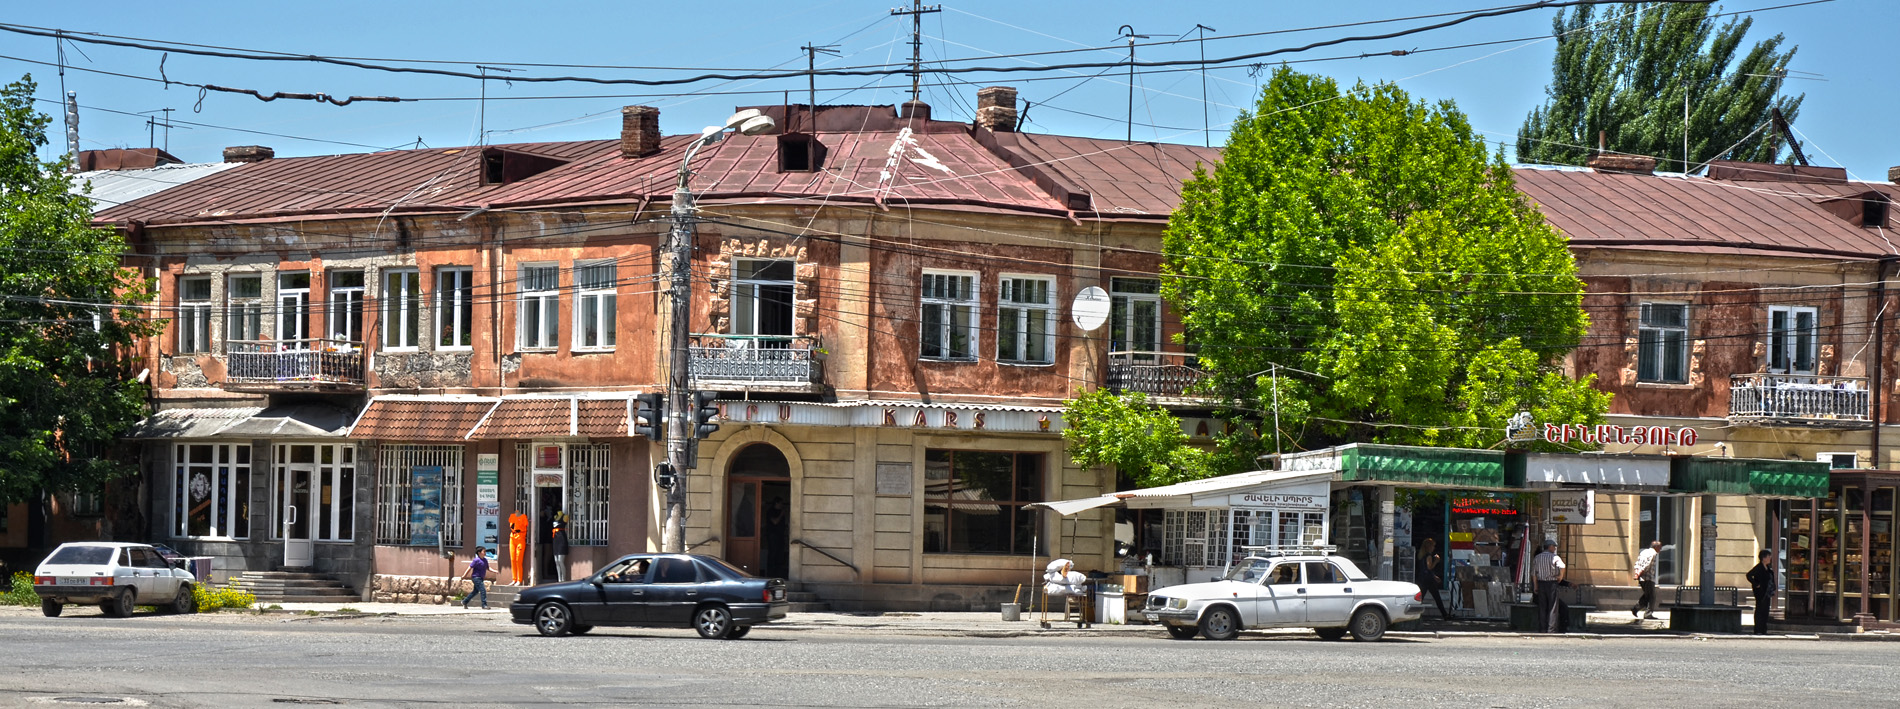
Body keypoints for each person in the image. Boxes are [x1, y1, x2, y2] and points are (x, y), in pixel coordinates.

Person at [1533, 541, 1567, 633]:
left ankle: (1542, 628)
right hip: (1551, 583)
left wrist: (1535, 586)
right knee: (1553, 607)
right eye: (1554, 547)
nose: (1555, 549)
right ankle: (1551, 629)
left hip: (1541, 583)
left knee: (1542, 607)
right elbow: (1563, 566)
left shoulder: (1537, 557)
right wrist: (1560, 576)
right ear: (1550, 547)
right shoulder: (1555, 557)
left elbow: (1534, 574)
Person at [1416, 537, 1451, 618]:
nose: (1434, 548)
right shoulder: (1428, 556)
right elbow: (1429, 567)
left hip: (1423, 578)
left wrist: (1434, 576)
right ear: (1429, 547)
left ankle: (1444, 614)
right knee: (1436, 597)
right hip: (1428, 580)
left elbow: (1425, 569)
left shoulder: (1421, 555)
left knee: (1422, 598)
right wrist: (1436, 561)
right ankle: (1445, 615)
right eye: (1433, 546)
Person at [1747, 549, 1775, 636]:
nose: (1770, 558)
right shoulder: (1759, 567)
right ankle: (1758, 629)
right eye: (1768, 556)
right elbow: (1749, 575)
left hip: (1767, 592)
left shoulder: (1768, 568)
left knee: (1765, 611)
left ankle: (1763, 629)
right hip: (1760, 592)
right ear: (1763, 558)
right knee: (1760, 610)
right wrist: (1756, 584)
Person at [1631, 540, 1662, 620]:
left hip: (1642, 578)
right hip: (1648, 577)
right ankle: (1647, 614)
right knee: (1652, 596)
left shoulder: (1643, 552)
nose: (1660, 549)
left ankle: (1636, 608)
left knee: (1647, 595)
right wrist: (1639, 573)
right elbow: (1646, 565)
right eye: (1660, 547)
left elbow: (1637, 563)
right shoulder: (1653, 553)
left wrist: (1637, 572)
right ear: (1656, 547)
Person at [551, 513, 570, 583]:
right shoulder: (555, 516)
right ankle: (559, 579)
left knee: (560, 560)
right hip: (555, 539)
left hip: (562, 539)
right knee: (556, 561)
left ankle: (563, 579)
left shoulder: (564, 517)